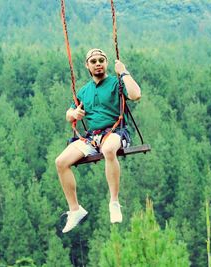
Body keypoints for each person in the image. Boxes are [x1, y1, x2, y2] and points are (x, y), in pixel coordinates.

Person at [55, 48, 142, 233]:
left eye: (101, 60)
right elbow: (68, 115)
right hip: (92, 137)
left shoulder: (116, 83)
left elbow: (136, 95)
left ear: (107, 63)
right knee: (61, 162)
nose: (98, 64)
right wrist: (74, 113)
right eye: (93, 61)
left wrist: (124, 72)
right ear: (87, 65)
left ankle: (114, 202)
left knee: (109, 150)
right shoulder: (84, 91)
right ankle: (75, 209)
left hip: (116, 132)